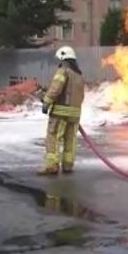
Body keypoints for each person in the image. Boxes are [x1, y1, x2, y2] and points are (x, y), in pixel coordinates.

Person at [38, 46, 85, 176]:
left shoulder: (63, 71)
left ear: (64, 58)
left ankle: (51, 166)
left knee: (53, 138)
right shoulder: (79, 75)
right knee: (70, 140)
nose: (59, 62)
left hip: (60, 113)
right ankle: (68, 165)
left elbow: (55, 88)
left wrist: (46, 102)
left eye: (60, 59)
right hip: (75, 114)